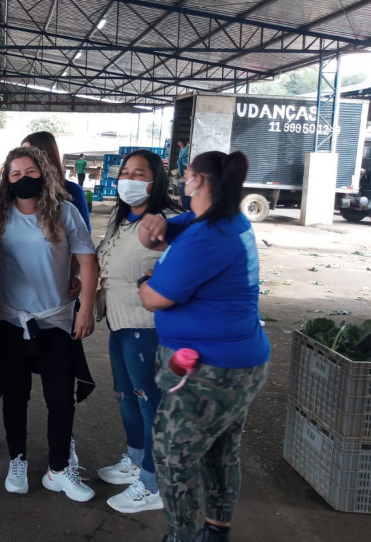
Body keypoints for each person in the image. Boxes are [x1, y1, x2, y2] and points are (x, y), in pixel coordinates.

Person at [138, 151, 270, 542]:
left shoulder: (210, 236)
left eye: (186, 174)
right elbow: (156, 236)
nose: (182, 180)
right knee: (220, 450)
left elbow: (154, 298)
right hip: (235, 362)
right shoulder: (218, 221)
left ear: (199, 181)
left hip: (212, 370)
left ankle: (183, 536)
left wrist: (146, 283)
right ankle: (215, 531)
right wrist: (152, 225)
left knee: (172, 454)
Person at [0, 131, 93, 461]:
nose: (24, 177)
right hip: (9, 314)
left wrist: (84, 301)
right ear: (7, 178)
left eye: (31, 170)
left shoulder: (66, 208)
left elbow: (85, 255)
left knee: (59, 391)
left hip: (55, 314)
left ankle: (61, 456)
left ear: (44, 168)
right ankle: (8, 451)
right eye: (16, 172)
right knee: (11, 387)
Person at [94, 150, 182, 514]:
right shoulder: (122, 219)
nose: (129, 179)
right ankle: (135, 459)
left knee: (151, 404)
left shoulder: (167, 222)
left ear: (155, 180)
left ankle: (152, 483)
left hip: (146, 326)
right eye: (125, 172)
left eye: (139, 173)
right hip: (118, 323)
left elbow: (184, 267)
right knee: (126, 397)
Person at [176, 140, 191, 211]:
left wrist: (181, 150)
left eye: (181, 144)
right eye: (179, 145)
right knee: (179, 160)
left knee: (179, 161)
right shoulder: (182, 149)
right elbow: (180, 156)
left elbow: (182, 156)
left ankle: (180, 173)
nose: (180, 146)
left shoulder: (186, 148)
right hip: (185, 159)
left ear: (183, 143)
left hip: (188, 160)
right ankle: (180, 173)